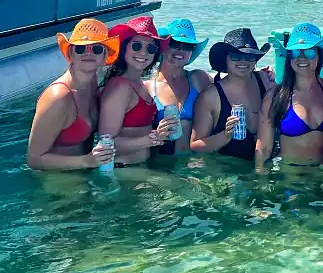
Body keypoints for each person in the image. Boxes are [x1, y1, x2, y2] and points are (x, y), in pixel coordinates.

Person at [27, 19, 120, 170]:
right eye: (80, 48)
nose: (88, 53)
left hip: (88, 170)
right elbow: (34, 160)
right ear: (71, 53)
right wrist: (87, 161)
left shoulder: (93, 84)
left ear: (105, 56)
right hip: (60, 182)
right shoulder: (58, 96)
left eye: (96, 49)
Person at [256, 23, 323, 168]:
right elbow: (264, 148)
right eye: (295, 52)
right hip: (289, 175)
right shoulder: (275, 96)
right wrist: (261, 179)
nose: (302, 57)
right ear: (289, 58)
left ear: (319, 56)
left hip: (322, 173)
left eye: (309, 52)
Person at [99, 16, 178, 164]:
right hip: (122, 168)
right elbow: (106, 144)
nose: (143, 52)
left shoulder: (138, 83)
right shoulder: (120, 87)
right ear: (124, 48)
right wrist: (153, 139)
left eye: (150, 48)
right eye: (136, 46)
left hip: (140, 166)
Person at [191, 28, 273, 161]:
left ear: (256, 60)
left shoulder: (265, 80)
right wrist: (225, 136)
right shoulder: (210, 97)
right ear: (225, 59)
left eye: (249, 56)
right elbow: (195, 145)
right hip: (228, 172)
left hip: (265, 165)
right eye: (236, 56)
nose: (243, 62)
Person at [150, 19, 212, 156]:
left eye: (188, 46)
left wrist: (263, 74)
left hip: (194, 164)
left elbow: (227, 89)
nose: (181, 50)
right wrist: (157, 134)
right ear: (163, 45)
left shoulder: (199, 79)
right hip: (161, 165)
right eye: (175, 44)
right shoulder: (148, 88)